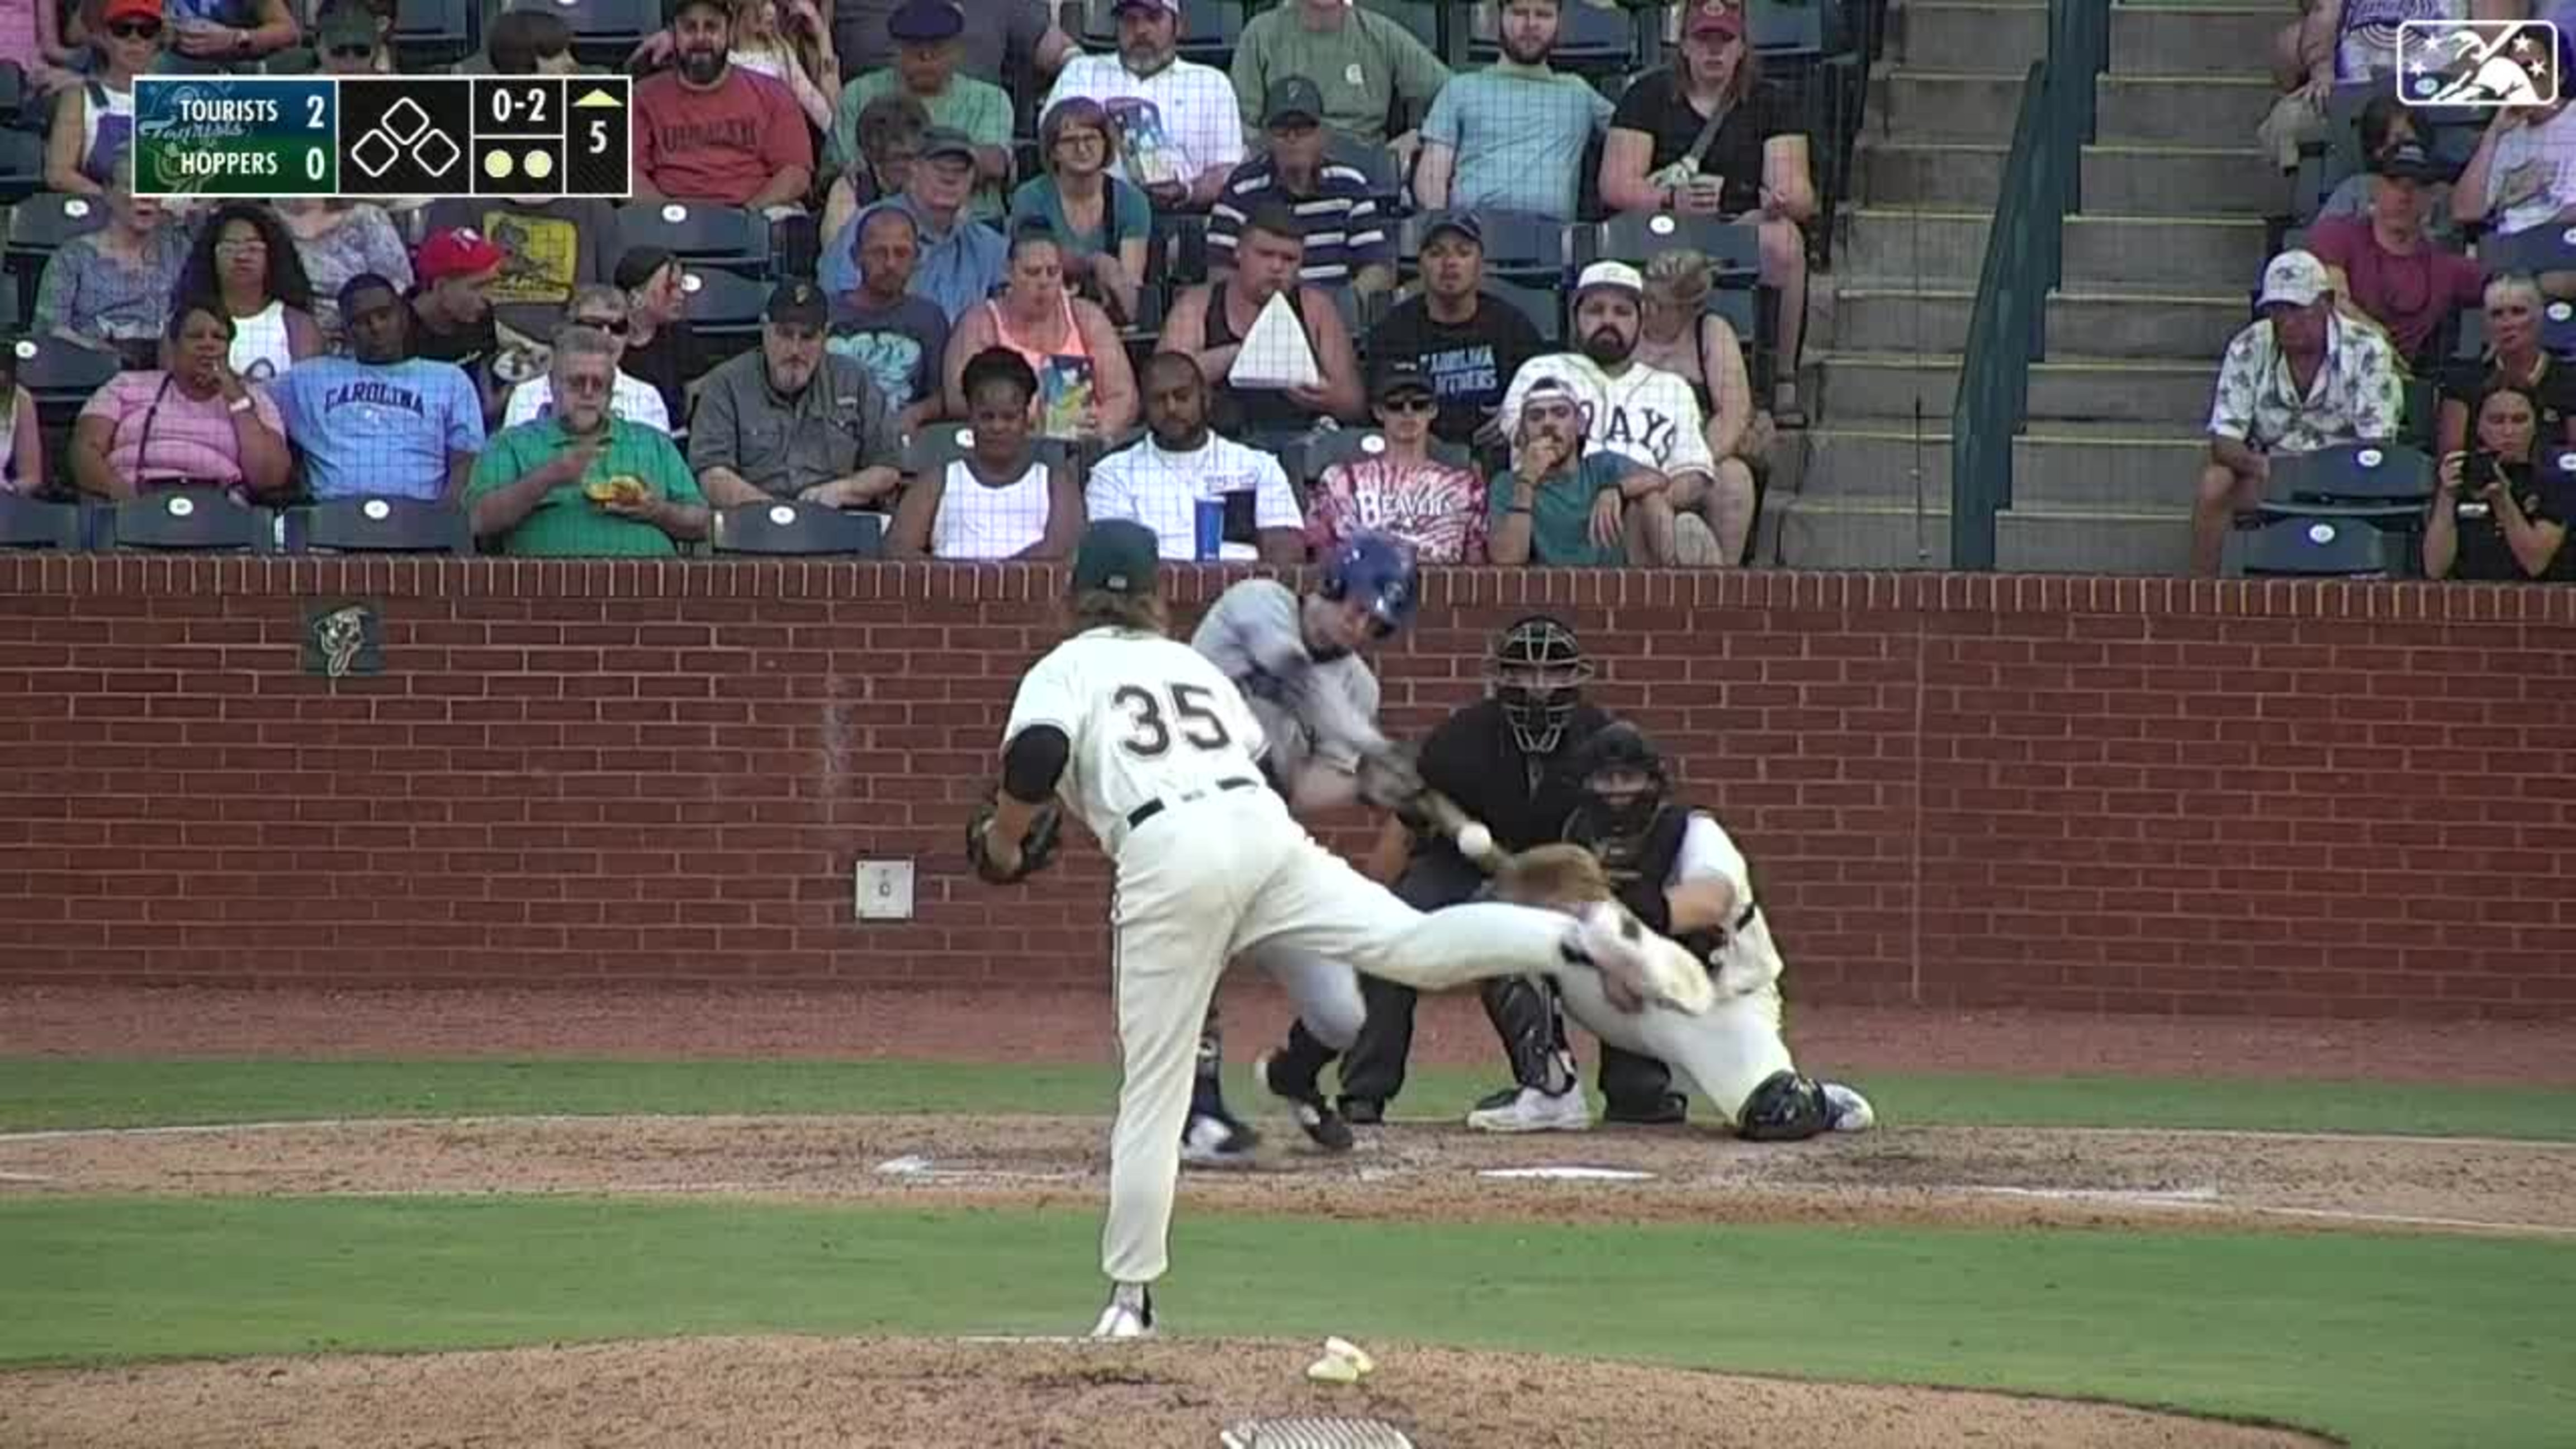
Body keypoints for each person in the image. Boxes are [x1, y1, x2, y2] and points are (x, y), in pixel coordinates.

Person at [973, 518, 1708, 1338]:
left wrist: (1003, 840)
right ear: (1153, 597)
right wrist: (1368, 765)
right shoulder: (1195, 655)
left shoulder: (1062, 666)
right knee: (1410, 945)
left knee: (1154, 1090)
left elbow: (1035, 759)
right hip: (1257, 826)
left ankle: (1129, 1300)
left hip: (1166, 846)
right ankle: (1573, 940)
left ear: (1073, 594)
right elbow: (1261, 761)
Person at [1277, 614, 1613, 1128]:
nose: (1538, 687)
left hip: (1565, 874)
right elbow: (1407, 827)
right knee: (1390, 939)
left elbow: (1622, 838)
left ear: (1575, 677)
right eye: (1523, 673)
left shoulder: (1601, 741)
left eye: (1552, 673)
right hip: (1459, 866)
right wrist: (1370, 905)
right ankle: (1366, 1091)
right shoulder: (1462, 739)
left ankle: (1633, 1090)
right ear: (1501, 677)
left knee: (1631, 941)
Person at [1476, 721, 1878, 1142]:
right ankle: (1551, 1091)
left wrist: (1621, 919)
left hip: (1720, 1004)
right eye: (1605, 778)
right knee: (1503, 930)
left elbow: (1710, 901)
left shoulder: (1694, 833)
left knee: (1778, 1114)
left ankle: (1823, 1101)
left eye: (1628, 777)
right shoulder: (1581, 836)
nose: (1617, 790)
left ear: (1654, 782)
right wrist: (1612, 957)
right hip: (1632, 998)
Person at [1178, 531, 1428, 1167]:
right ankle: (1198, 1109)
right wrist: (1370, 745)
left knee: (1343, 1016)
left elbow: (1304, 786)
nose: (1359, 628)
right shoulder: (1258, 603)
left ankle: (1294, 1074)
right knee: (1195, 965)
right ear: (1334, 582)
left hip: (1263, 843)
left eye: (1375, 625)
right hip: (1185, 825)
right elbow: (1295, 674)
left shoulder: (1359, 688)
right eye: (1357, 609)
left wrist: (1365, 783)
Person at [1598, 1, 1814, 419]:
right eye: (1703, 40)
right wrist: (1668, 199)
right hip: (1662, 226)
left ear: (1742, 48)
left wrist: (1779, 200)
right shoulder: (1647, 94)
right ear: (1684, 45)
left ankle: (1784, 378)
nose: (1714, 52)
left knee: (1786, 241)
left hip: (1735, 224)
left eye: (1725, 41)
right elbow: (1615, 185)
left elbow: (1800, 193)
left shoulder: (1772, 101)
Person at [464, 325, 710, 556]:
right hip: (545, 591)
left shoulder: (654, 444)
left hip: (646, 592)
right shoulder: (510, 445)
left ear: (612, 391)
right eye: (577, 383)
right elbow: (479, 522)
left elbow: (700, 524)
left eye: (599, 384)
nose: (589, 393)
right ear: (552, 385)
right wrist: (549, 477)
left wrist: (656, 511)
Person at [690, 279, 905, 508]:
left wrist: (844, 490)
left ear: (826, 335)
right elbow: (712, 475)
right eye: (784, 334)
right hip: (753, 525)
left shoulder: (855, 380)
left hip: (839, 521)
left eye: (808, 337)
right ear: (765, 328)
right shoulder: (726, 384)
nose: (795, 350)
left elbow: (888, 467)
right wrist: (777, 515)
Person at [271, 274, 484, 503]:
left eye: (384, 315)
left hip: (420, 520)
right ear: (345, 331)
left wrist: (445, 519)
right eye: (361, 321)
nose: (376, 327)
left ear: (403, 316)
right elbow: (249, 398)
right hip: (332, 520)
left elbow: (466, 459)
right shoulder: (310, 379)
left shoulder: (448, 379)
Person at [1086, 352, 1307, 562]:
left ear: (1205, 398)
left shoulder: (1258, 467)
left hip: (1244, 591)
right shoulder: (1113, 473)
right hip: (1150, 596)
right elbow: (1116, 558)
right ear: (1144, 407)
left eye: (1182, 397)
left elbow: (1286, 554)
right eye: (1158, 400)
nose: (1171, 408)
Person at [67, 301, 291, 502]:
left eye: (218, 337)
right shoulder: (125, 385)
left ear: (229, 348)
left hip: (220, 508)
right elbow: (85, 450)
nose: (208, 344)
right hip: (132, 500)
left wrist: (238, 401)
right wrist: (120, 493)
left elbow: (269, 479)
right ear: (174, 346)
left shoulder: (255, 399)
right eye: (196, 336)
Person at [940, 224, 1137, 442]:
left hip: (1085, 447)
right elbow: (959, 399)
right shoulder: (979, 322)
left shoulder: (1088, 316)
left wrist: (1102, 428)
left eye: (1053, 272)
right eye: (1032, 272)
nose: (1044, 282)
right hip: (1009, 448)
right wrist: (1035, 417)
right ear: (1009, 272)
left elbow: (1123, 395)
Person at [1365, 211, 1543, 451]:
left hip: (1499, 456)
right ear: (1420, 266)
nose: (1450, 262)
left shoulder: (1513, 327)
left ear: (1481, 265)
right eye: (1436, 253)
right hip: (1418, 457)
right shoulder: (1393, 332)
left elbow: (1543, 397)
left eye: (1463, 252)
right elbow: (1379, 410)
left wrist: (1514, 419)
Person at [888, 347, 1083, 558]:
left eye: (1009, 417)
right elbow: (899, 550)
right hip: (949, 590)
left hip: (1031, 590)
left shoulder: (1055, 483)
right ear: (971, 417)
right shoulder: (938, 481)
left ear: (1026, 418)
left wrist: (994, 579)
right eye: (987, 417)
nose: (998, 427)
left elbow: (1061, 550)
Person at [831, 0, 1012, 220]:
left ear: (957, 50)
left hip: (971, 220)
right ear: (895, 49)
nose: (926, 58)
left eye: (937, 48)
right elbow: (845, 165)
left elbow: (995, 163)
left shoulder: (989, 98)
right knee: (841, 192)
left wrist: (910, 163)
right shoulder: (858, 94)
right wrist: (949, 163)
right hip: (879, 222)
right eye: (914, 49)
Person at [632, 0, 816, 211]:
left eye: (712, 27)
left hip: (755, 215)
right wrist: (668, 216)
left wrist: (747, 214)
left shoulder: (773, 93)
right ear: (674, 34)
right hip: (669, 221)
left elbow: (796, 173)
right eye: (690, 28)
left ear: (728, 31)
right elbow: (627, 175)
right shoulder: (643, 96)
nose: (701, 38)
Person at [1303, 360, 1489, 564]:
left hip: (1443, 590)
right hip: (1361, 589)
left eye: (1419, 405)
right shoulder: (1339, 480)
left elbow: (1476, 562)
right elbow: (1321, 555)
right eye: (1395, 405)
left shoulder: (1466, 486)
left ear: (1433, 411)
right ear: (1378, 412)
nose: (1407, 413)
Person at [1487, 374, 1675, 567]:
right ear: (1523, 432)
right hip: (1547, 592)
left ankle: (1680, 587)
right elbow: (1507, 560)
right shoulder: (1506, 484)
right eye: (1536, 417)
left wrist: (1617, 489)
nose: (1548, 424)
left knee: (1652, 498)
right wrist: (1527, 481)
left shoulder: (1602, 467)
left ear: (1580, 424)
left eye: (1560, 413)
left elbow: (1660, 479)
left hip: (1616, 590)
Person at [1009, 96, 1153, 326]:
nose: (1082, 148)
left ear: (1106, 144)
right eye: (1069, 141)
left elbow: (1128, 286)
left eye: (1091, 138)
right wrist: (1095, 263)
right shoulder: (1029, 198)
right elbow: (1036, 263)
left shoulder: (1132, 201)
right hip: (1043, 315)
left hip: (1111, 324)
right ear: (1053, 151)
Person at [31, 150, 184, 360]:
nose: (145, 196)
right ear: (108, 192)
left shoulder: (179, 250)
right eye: (132, 186)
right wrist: (106, 357)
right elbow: (51, 330)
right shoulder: (72, 257)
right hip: (93, 373)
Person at [2425, 381, 2572, 580]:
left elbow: (2535, 563)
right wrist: (2446, 496)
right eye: (2497, 420)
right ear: (2479, 427)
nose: (2508, 431)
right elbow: (2435, 568)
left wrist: (2502, 499)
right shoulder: (2459, 478)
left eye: (2519, 420)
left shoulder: (2556, 484)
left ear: (2535, 426)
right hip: (2464, 600)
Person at [171, 203, 324, 386]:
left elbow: (307, 395)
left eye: (253, 248)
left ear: (272, 256)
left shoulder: (298, 324)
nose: (242, 256)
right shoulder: (185, 323)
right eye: (230, 247)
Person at [831, 208, 951, 432]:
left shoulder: (929, 318)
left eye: (902, 253)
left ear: (917, 258)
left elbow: (944, 395)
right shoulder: (827, 313)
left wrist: (917, 414)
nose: (890, 264)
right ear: (856, 256)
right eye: (879, 253)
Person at [500, 287, 675, 434]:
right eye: (594, 325)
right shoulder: (527, 395)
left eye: (618, 327)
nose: (607, 336)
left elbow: (655, 467)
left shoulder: (647, 398)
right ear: (567, 330)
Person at [45, 0, 158, 197]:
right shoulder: (80, 97)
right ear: (105, 37)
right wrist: (116, 200)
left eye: (146, 31)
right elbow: (59, 174)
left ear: (157, 41)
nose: (134, 39)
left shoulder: (178, 96)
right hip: (102, 212)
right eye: (122, 30)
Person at [277, 195, 413, 344]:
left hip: (372, 338)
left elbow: (397, 284)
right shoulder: (269, 227)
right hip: (298, 340)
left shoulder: (367, 217)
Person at [409, 228, 508, 423]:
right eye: (478, 286)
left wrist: (489, 404)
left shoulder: (479, 315)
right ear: (441, 287)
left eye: (491, 285)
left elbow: (481, 360)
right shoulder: (397, 331)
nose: (490, 297)